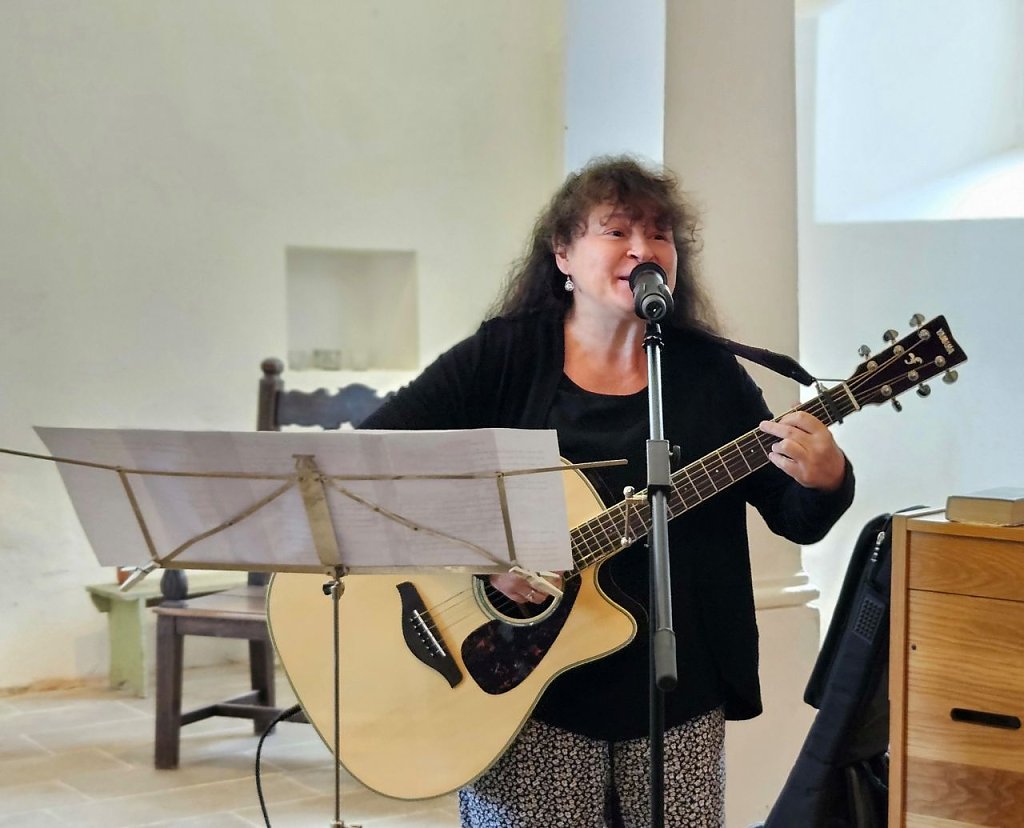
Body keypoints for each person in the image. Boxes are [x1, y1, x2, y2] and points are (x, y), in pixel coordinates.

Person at [360, 155, 854, 827]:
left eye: (659, 233)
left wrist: (828, 479)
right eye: (618, 230)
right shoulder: (505, 356)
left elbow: (793, 514)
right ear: (563, 254)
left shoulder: (707, 373)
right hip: (524, 687)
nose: (643, 249)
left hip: (674, 687)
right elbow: (371, 462)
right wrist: (482, 556)